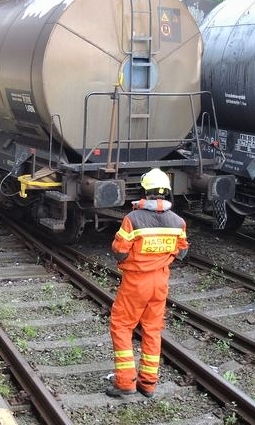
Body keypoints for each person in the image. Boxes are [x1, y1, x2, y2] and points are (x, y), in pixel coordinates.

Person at [106, 168, 189, 398]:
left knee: (122, 327)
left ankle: (125, 382)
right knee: (152, 331)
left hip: (136, 282)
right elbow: (182, 252)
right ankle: (148, 383)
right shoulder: (178, 222)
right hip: (160, 281)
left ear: (146, 192)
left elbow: (119, 251)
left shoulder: (133, 219)